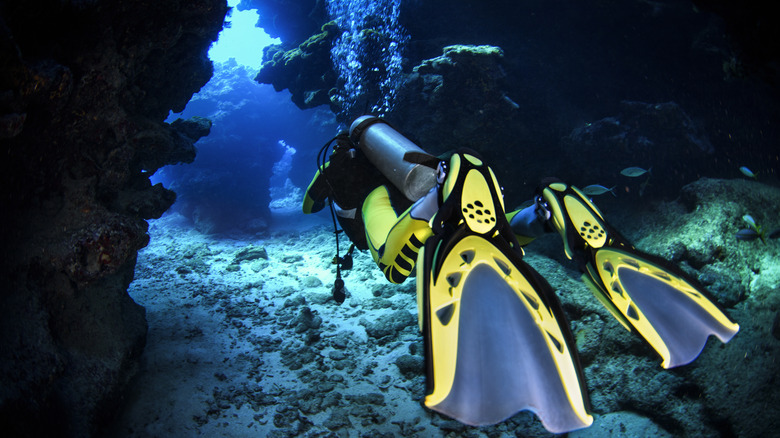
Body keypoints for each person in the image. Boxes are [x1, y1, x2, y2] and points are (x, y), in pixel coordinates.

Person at [303, 115, 739, 433]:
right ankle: (546, 211)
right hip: (430, 175)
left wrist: (339, 188)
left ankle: (441, 202)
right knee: (492, 229)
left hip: (402, 205)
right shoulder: (387, 152)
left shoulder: (340, 169)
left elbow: (311, 204)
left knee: (389, 259)